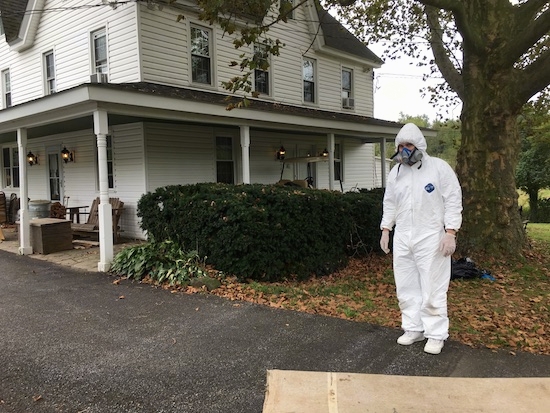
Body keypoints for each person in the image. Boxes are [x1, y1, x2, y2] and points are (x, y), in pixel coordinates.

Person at [379, 123, 462, 355]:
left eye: (409, 145)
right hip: (404, 235)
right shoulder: (396, 172)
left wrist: (450, 231)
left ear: (419, 146)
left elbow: (453, 199)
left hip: (431, 236)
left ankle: (435, 333)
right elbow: (390, 202)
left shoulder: (438, 168)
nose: (404, 150)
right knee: (406, 285)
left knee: (433, 285)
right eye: (401, 146)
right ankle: (413, 327)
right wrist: (386, 228)